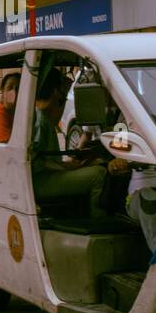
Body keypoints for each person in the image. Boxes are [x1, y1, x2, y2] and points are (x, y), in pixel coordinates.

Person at [30, 70, 111, 217]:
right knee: (99, 174)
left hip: (43, 176)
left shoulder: (40, 116)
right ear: (56, 92)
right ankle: (99, 220)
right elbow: (39, 162)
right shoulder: (41, 121)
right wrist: (69, 166)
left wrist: (74, 162)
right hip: (41, 181)